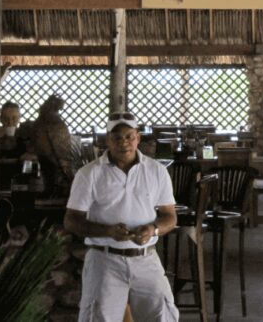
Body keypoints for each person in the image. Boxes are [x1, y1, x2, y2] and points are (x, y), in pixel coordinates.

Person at [64, 112, 179, 322]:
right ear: (107, 140)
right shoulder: (89, 173)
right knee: (100, 318)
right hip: (104, 259)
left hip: (146, 258)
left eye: (129, 136)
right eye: (116, 137)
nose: (123, 142)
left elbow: (169, 217)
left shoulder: (157, 171)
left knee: (162, 316)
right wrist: (108, 231)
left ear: (138, 138)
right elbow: (71, 221)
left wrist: (152, 229)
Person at [32, 95, 75, 194]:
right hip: (49, 156)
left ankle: (52, 190)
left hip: (51, 156)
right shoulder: (53, 122)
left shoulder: (51, 122)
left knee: (50, 175)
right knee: (49, 174)